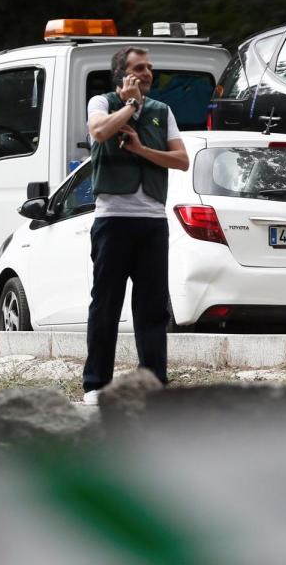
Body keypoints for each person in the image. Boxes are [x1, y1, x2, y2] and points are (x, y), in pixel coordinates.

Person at [82, 46, 189, 404]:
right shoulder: (101, 102)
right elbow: (99, 133)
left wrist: (142, 149)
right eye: (139, 68)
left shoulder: (163, 111)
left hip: (152, 222)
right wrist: (129, 106)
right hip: (113, 218)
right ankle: (96, 385)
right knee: (106, 305)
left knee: (153, 308)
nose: (147, 74)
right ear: (122, 74)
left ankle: (154, 386)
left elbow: (181, 160)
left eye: (149, 68)